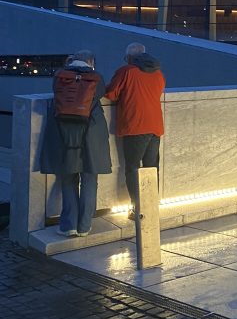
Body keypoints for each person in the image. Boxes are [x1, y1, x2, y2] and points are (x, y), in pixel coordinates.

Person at [40, 51, 112, 237]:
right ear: (91, 62)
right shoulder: (97, 78)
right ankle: (85, 226)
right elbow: (102, 94)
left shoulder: (60, 76)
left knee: (68, 177)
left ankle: (68, 225)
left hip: (64, 131)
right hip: (91, 133)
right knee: (89, 179)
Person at [105, 43, 166, 213]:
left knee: (132, 168)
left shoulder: (126, 71)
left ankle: (138, 209)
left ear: (130, 58)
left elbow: (111, 94)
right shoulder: (158, 72)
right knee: (151, 167)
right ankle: (152, 206)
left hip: (134, 125)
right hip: (155, 126)